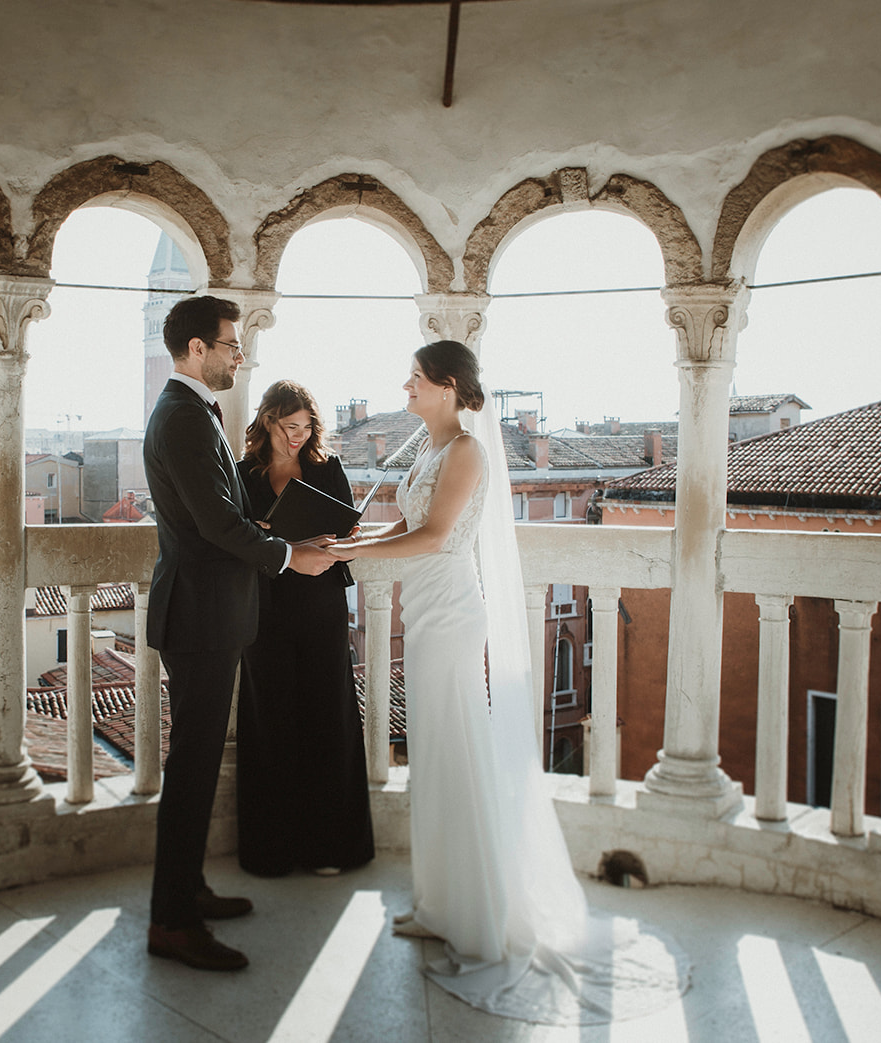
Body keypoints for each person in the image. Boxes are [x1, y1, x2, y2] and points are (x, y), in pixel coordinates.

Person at [329, 340, 689, 1025]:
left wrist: (357, 552)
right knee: (435, 756)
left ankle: (481, 918)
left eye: (416, 377)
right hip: (423, 606)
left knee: (459, 750)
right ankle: (439, 904)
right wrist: (354, 544)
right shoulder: (428, 451)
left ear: (446, 386)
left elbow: (437, 536)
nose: (405, 385)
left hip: (451, 611)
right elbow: (407, 522)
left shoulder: (465, 451)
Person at [142, 295, 338, 972]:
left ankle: (187, 890)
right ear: (197, 349)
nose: (238, 354)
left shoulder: (190, 413)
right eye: (230, 344)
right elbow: (218, 526)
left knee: (195, 765)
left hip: (206, 612)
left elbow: (223, 517)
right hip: (199, 616)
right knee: (192, 769)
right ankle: (170, 919)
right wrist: (291, 555)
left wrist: (284, 538)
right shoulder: (184, 418)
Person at [236, 380, 375, 877]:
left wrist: (334, 539)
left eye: (306, 428)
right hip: (266, 607)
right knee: (269, 715)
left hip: (319, 603)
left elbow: (346, 534)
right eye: (288, 426)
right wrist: (279, 541)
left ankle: (331, 847)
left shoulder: (327, 467)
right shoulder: (242, 474)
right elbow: (239, 539)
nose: (297, 437)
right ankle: (271, 851)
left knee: (326, 713)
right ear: (267, 421)